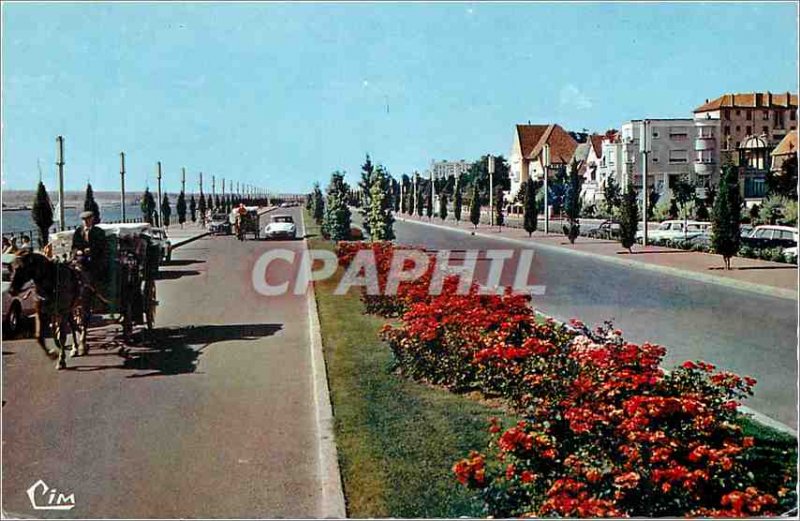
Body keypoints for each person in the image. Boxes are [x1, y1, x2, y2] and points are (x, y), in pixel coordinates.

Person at [71, 210, 107, 290]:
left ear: (92, 219)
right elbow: (74, 246)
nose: (86, 222)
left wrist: (91, 250)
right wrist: (77, 251)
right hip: (80, 258)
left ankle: (93, 288)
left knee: (93, 269)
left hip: (95, 258)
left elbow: (102, 246)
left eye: (88, 220)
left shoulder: (98, 232)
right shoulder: (78, 232)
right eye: (84, 220)